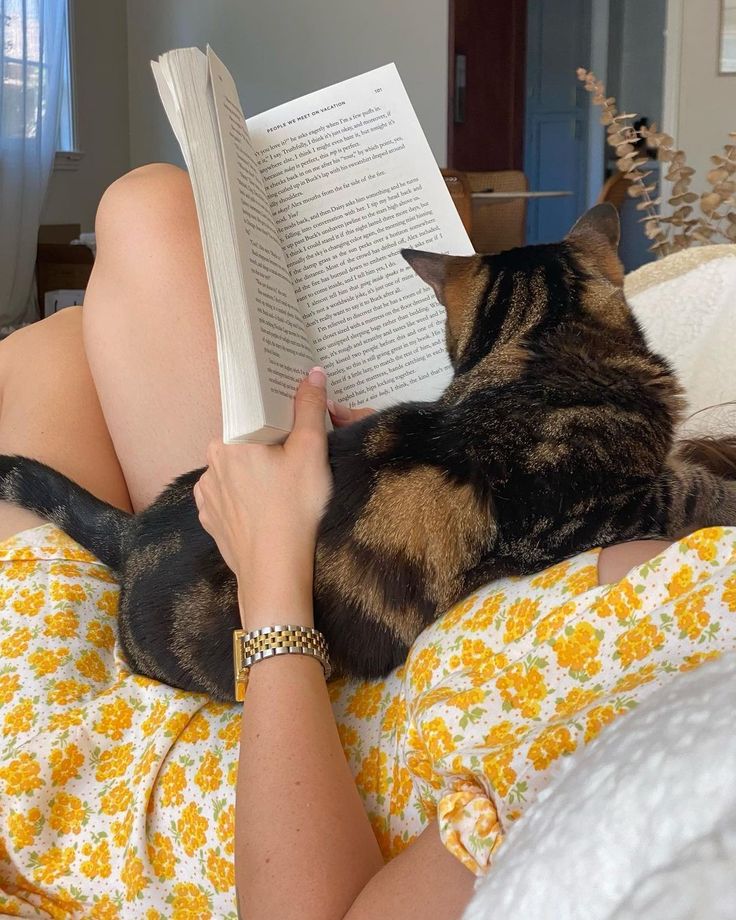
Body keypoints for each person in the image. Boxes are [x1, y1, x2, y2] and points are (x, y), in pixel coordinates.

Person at [1, 164, 720, 920]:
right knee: (97, 285)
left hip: (124, 791)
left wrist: (271, 567)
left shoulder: (690, 735)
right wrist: (432, 448)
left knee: (60, 330)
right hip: (261, 651)